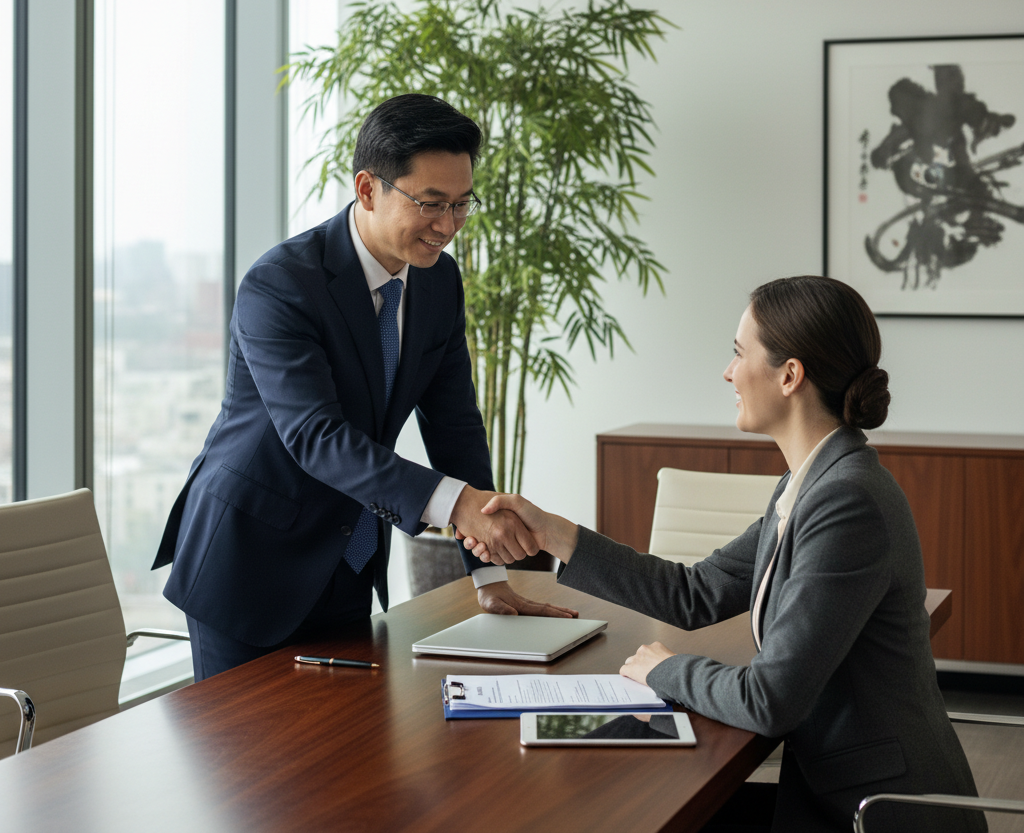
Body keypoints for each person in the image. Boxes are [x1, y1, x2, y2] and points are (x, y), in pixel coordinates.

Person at [463, 276, 984, 833]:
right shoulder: (811, 484)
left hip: (877, 812)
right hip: (835, 790)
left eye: (739, 353)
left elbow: (770, 700)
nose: (728, 371)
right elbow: (695, 593)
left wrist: (666, 669)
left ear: (789, 376)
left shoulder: (846, 502)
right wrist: (553, 533)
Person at [152, 94, 577, 681]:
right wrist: (458, 505)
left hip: (348, 558)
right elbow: (316, 436)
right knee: (248, 745)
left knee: (350, 736)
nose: (448, 226)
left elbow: (454, 425)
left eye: (461, 204)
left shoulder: (439, 282)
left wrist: (488, 576)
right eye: (431, 203)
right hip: (249, 565)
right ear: (368, 188)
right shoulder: (280, 284)